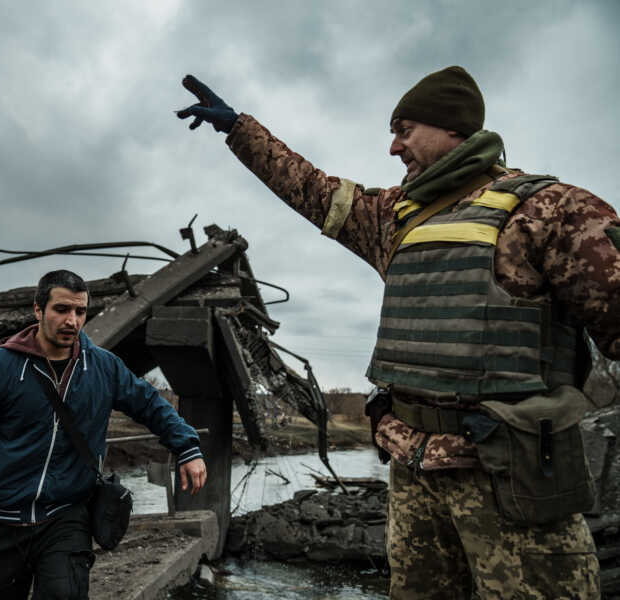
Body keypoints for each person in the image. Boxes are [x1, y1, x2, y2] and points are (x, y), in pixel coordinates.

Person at [177, 67, 620, 598]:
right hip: (413, 470)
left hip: (511, 476)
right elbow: (311, 189)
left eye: (405, 129)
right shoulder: (396, 216)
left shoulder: (554, 210)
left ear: (453, 129)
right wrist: (238, 129)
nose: (393, 146)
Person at [0, 269, 207, 599]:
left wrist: (187, 447)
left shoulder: (104, 367)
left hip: (66, 515)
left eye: (80, 311)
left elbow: (150, 404)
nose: (72, 320)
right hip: (0, 517)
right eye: (62, 309)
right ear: (38, 310)